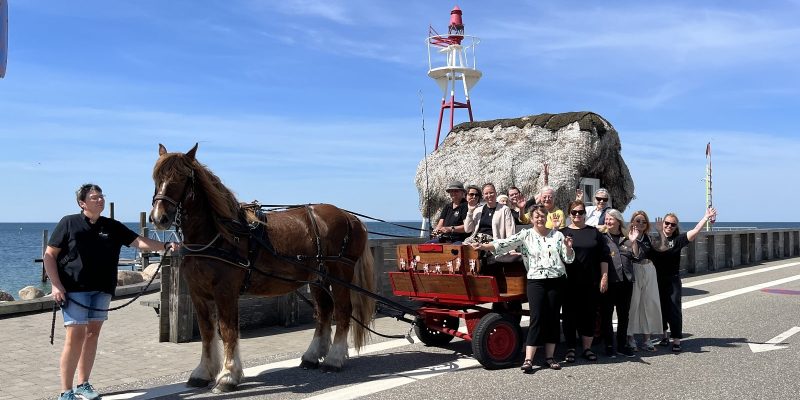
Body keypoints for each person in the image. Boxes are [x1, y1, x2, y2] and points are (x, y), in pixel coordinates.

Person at [43, 184, 180, 400]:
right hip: (74, 290)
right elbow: (50, 255)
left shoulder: (112, 226)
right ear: (82, 203)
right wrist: (56, 285)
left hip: (102, 289)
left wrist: (165, 246)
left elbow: (139, 242)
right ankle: (66, 392)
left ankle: (83, 384)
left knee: (92, 335)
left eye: (101, 196)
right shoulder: (69, 222)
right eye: (94, 197)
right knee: (75, 337)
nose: (100, 200)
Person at [471, 205, 574, 372]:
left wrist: (568, 248)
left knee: (553, 318)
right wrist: (484, 247)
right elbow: (504, 244)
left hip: (556, 280)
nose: (540, 219)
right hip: (536, 281)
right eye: (536, 216)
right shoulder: (526, 234)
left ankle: (550, 357)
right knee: (536, 318)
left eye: (542, 216)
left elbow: (568, 259)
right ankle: (528, 359)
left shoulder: (557, 235)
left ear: (547, 217)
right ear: (531, 219)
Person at [651, 207, 718, 352]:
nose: (669, 226)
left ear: (676, 227)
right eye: (667, 223)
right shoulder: (655, 240)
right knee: (660, 309)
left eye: (673, 224)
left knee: (674, 309)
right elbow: (658, 248)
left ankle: (676, 339)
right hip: (657, 280)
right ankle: (664, 336)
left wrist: (706, 217)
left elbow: (695, 231)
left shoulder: (678, 240)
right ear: (662, 223)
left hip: (673, 279)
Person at [560, 200, 608, 363]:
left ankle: (587, 348)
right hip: (569, 282)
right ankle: (571, 348)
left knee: (589, 315)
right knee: (569, 316)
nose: (577, 215)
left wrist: (604, 276)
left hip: (591, 282)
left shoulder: (594, 232)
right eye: (574, 212)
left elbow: (603, 256)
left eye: (580, 212)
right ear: (569, 214)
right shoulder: (562, 233)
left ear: (585, 214)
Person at [599, 209, 639, 358]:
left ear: (618, 221)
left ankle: (622, 345)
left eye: (611, 219)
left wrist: (634, 242)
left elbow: (636, 257)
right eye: (606, 219)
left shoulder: (627, 238)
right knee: (606, 315)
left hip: (625, 282)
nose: (608, 221)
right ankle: (609, 345)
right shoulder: (602, 238)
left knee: (624, 316)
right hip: (609, 282)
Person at [626, 210, 662, 352]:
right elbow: (635, 255)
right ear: (632, 222)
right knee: (633, 304)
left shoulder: (649, 238)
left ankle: (647, 338)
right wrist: (634, 240)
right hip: (635, 269)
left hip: (649, 269)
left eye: (644, 221)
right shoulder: (627, 237)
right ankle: (630, 337)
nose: (640, 223)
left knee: (649, 303)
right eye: (637, 220)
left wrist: (660, 232)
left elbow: (663, 248)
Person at [463, 183, 515, 249]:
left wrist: (511, 249)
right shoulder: (478, 210)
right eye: (486, 193)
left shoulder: (504, 209)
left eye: (491, 193)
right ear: (483, 196)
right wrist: (470, 211)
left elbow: (510, 231)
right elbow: (467, 229)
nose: (489, 195)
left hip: (493, 244)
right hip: (476, 241)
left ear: (496, 193)